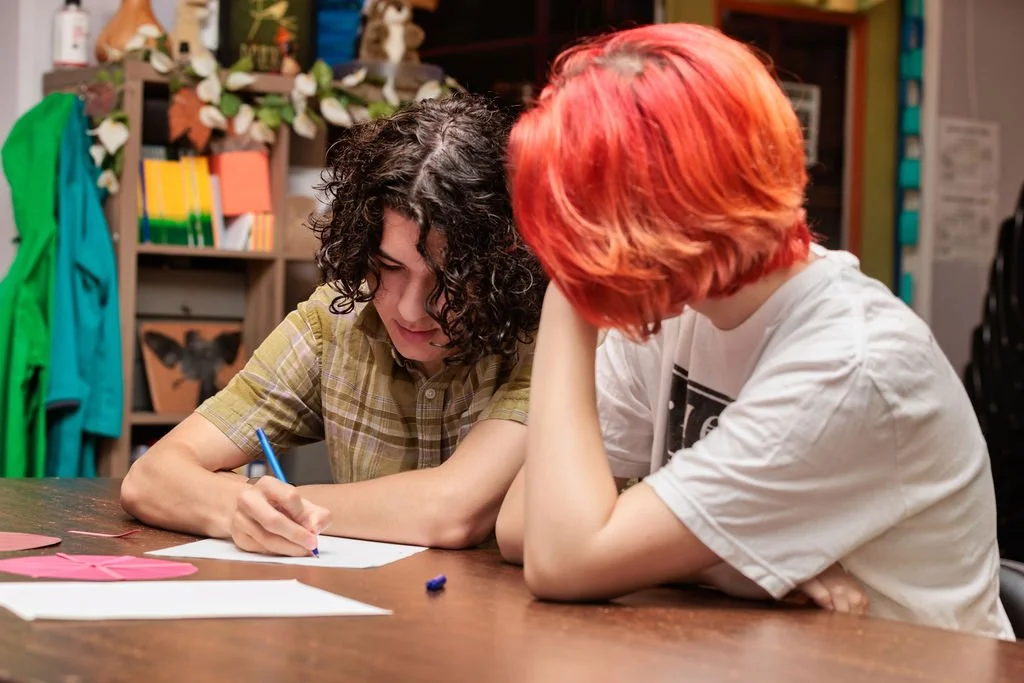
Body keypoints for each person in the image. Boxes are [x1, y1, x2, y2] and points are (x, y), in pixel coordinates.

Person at [496, 23, 1014, 639]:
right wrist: (725, 566)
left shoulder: (852, 362)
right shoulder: (674, 313)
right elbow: (523, 525)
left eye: (578, 222)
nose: (566, 248)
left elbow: (565, 560)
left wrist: (568, 293)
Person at [121, 93, 547, 557]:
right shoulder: (335, 320)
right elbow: (150, 478)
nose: (409, 309)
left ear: (504, 268)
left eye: (448, 279)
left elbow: (451, 510)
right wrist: (243, 509)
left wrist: (279, 507)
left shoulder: (548, 341)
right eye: (389, 266)